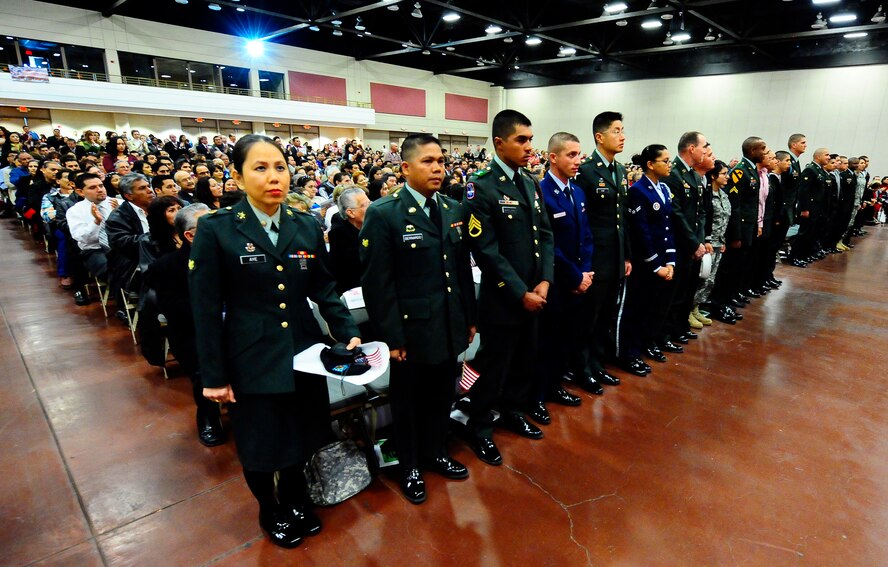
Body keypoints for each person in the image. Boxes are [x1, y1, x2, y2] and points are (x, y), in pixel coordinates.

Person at [190, 134, 360, 549]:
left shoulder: (303, 223)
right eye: (260, 168)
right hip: (252, 356)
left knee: (303, 433)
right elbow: (206, 309)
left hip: (304, 351)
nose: (273, 177)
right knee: (262, 443)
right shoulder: (217, 229)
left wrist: (348, 331)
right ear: (237, 176)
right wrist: (214, 376)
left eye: (280, 167)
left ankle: (297, 497)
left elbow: (323, 286)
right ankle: (270, 508)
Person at [360, 133, 476, 504]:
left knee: (442, 395)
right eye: (428, 161)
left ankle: (436, 451)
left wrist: (468, 318)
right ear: (406, 167)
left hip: (448, 324)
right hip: (410, 332)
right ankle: (410, 465)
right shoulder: (383, 213)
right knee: (408, 402)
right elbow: (377, 286)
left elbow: (460, 271)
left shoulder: (452, 208)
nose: (438, 168)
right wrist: (392, 339)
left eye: (441, 161)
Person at [460, 110, 554, 466]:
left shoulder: (529, 182)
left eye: (531, 139)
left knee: (524, 361)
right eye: (522, 140)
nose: (530, 147)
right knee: (494, 366)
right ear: (499, 143)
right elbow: (485, 250)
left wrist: (545, 279)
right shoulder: (481, 186)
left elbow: (544, 234)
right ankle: (480, 426)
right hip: (503, 299)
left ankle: (513, 410)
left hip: (535, 293)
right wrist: (520, 292)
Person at [149, 202, 225, 445]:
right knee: (204, 370)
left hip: (236, 324)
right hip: (194, 331)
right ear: (190, 235)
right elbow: (174, 309)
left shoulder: (232, 256)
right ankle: (208, 417)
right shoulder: (165, 267)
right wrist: (215, 314)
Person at [531, 132, 591, 426]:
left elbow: (586, 237)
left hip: (579, 281)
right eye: (571, 155)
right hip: (556, 281)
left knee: (567, 338)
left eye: (579, 154)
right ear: (553, 157)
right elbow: (548, 244)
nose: (578, 160)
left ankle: (555, 385)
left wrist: (587, 271)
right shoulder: (542, 193)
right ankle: (537, 395)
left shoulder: (577, 192)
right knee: (547, 341)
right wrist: (575, 275)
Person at [572, 112, 633, 379]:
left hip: (615, 257)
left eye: (622, 130)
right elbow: (582, 222)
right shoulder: (585, 172)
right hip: (595, 258)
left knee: (607, 314)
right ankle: (581, 367)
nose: (622, 136)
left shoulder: (620, 171)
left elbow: (622, 218)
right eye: (616, 131)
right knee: (588, 317)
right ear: (600, 136)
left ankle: (597, 363)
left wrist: (627, 255)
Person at [617, 145, 676, 374]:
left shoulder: (662, 188)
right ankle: (629, 354)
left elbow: (668, 227)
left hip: (663, 259)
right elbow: (641, 232)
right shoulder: (639, 191)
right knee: (637, 308)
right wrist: (656, 265)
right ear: (650, 164)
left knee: (654, 307)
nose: (668, 164)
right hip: (645, 263)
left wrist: (670, 260)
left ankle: (644, 345)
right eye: (665, 160)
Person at [662, 131, 709, 344]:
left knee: (687, 290)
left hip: (692, 245)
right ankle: (667, 332)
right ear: (691, 148)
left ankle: (680, 327)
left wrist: (700, 241)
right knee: (673, 293)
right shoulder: (674, 173)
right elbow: (676, 213)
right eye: (703, 146)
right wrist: (693, 242)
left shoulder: (692, 175)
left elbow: (700, 213)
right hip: (679, 245)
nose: (705, 151)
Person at [711, 137, 768, 310]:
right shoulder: (740, 172)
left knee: (739, 266)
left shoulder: (752, 171)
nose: (765, 152)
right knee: (730, 268)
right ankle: (720, 302)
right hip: (740, 229)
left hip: (748, 227)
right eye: (762, 148)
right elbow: (734, 206)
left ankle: (731, 296)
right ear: (752, 151)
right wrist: (735, 235)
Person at [697, 160, 736, 324]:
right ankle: (690, 309)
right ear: (713, 176)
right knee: (702, 278)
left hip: (719, 242)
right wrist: (706, 240)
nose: (727, 176)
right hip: (708, 243)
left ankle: (697, 307)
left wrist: (723, 240)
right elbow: (705, 220)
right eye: (724, 174)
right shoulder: (707, 195)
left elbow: (725, 219)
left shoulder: (723, 194)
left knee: (711, 279)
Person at [327, 187, 369, 294]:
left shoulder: (374, 225)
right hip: (353, 291)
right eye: (365, 205)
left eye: (370, 202)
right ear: (350, 213)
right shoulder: (339, 235)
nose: (371, 207)